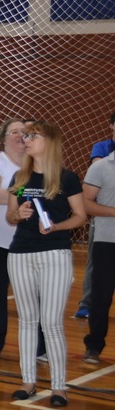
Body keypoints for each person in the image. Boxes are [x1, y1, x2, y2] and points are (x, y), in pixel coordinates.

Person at [7, 121, 86, 407]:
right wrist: (19, 214)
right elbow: (10, 216)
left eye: (33, 135)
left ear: (49, 141)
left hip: (55, 253)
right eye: (25, 135)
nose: (26, 139)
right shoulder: (19, 177)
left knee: (51, 322)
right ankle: (28, 381)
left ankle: (58, 387)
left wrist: (56, 227)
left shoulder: (68, 178)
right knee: (27, 320)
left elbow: (80, 216)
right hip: (20, 253)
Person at [0, 119, 31, 359]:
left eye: (24, 132)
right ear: (3, 138)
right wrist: (25, 192)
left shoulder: (35, 162)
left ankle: (39, 348)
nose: (20, 135)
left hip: (27, 241)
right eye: (14, 132)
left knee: (32, 293)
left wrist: (11, 194)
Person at [73, 111, 115, 319]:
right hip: (104, 217)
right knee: (96, 262)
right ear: (112, 125)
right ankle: (87, 303)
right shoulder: (102, 148)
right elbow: (100, 170)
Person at [81, 150, 115, 365]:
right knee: (101, 297)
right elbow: (85, 202)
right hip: (107, 241)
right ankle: (94, 345)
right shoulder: (101, 167)